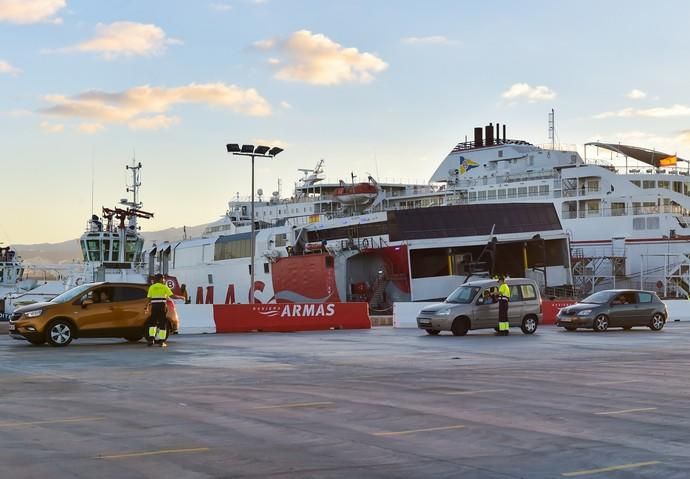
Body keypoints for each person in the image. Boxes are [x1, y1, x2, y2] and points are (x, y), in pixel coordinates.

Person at [146, 274, 178, 347]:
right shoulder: (164, 287)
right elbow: (172, 296)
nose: (164, 280)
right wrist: (181, 297)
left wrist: (147, 307)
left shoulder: (152, 287)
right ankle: (161, 342)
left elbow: (149, 298)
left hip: (154, 307)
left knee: (152, 323)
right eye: (163, 278)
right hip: (162, 306)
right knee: (162, 324)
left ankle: (151, 340)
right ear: (160, 279)